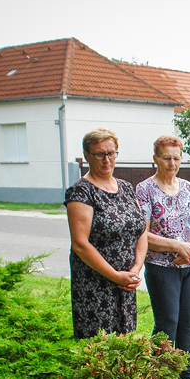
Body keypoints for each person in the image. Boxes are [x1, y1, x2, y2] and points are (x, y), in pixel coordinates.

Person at [135, 135, 190, 379]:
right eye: (167, 158)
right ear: (155, 159)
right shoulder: (144, 189)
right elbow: (143, 234)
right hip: (161, 266)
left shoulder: (187, 187)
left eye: (177, 158)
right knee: (168, 322)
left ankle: (186, 374)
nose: (172, 163)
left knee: (189, 320)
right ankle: (161, 375)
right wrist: (178, 246)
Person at [65, 128, 147, 339]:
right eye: (100, 154)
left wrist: (136, 269)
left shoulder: (127, 188)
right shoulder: (81, 192)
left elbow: (140, 231)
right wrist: (115, 276)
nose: (106, 159)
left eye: (111, 153)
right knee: (99, 347)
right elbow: (80, 244)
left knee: (124, 344)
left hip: (126, 282)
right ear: (87, 156)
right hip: (96, 282)